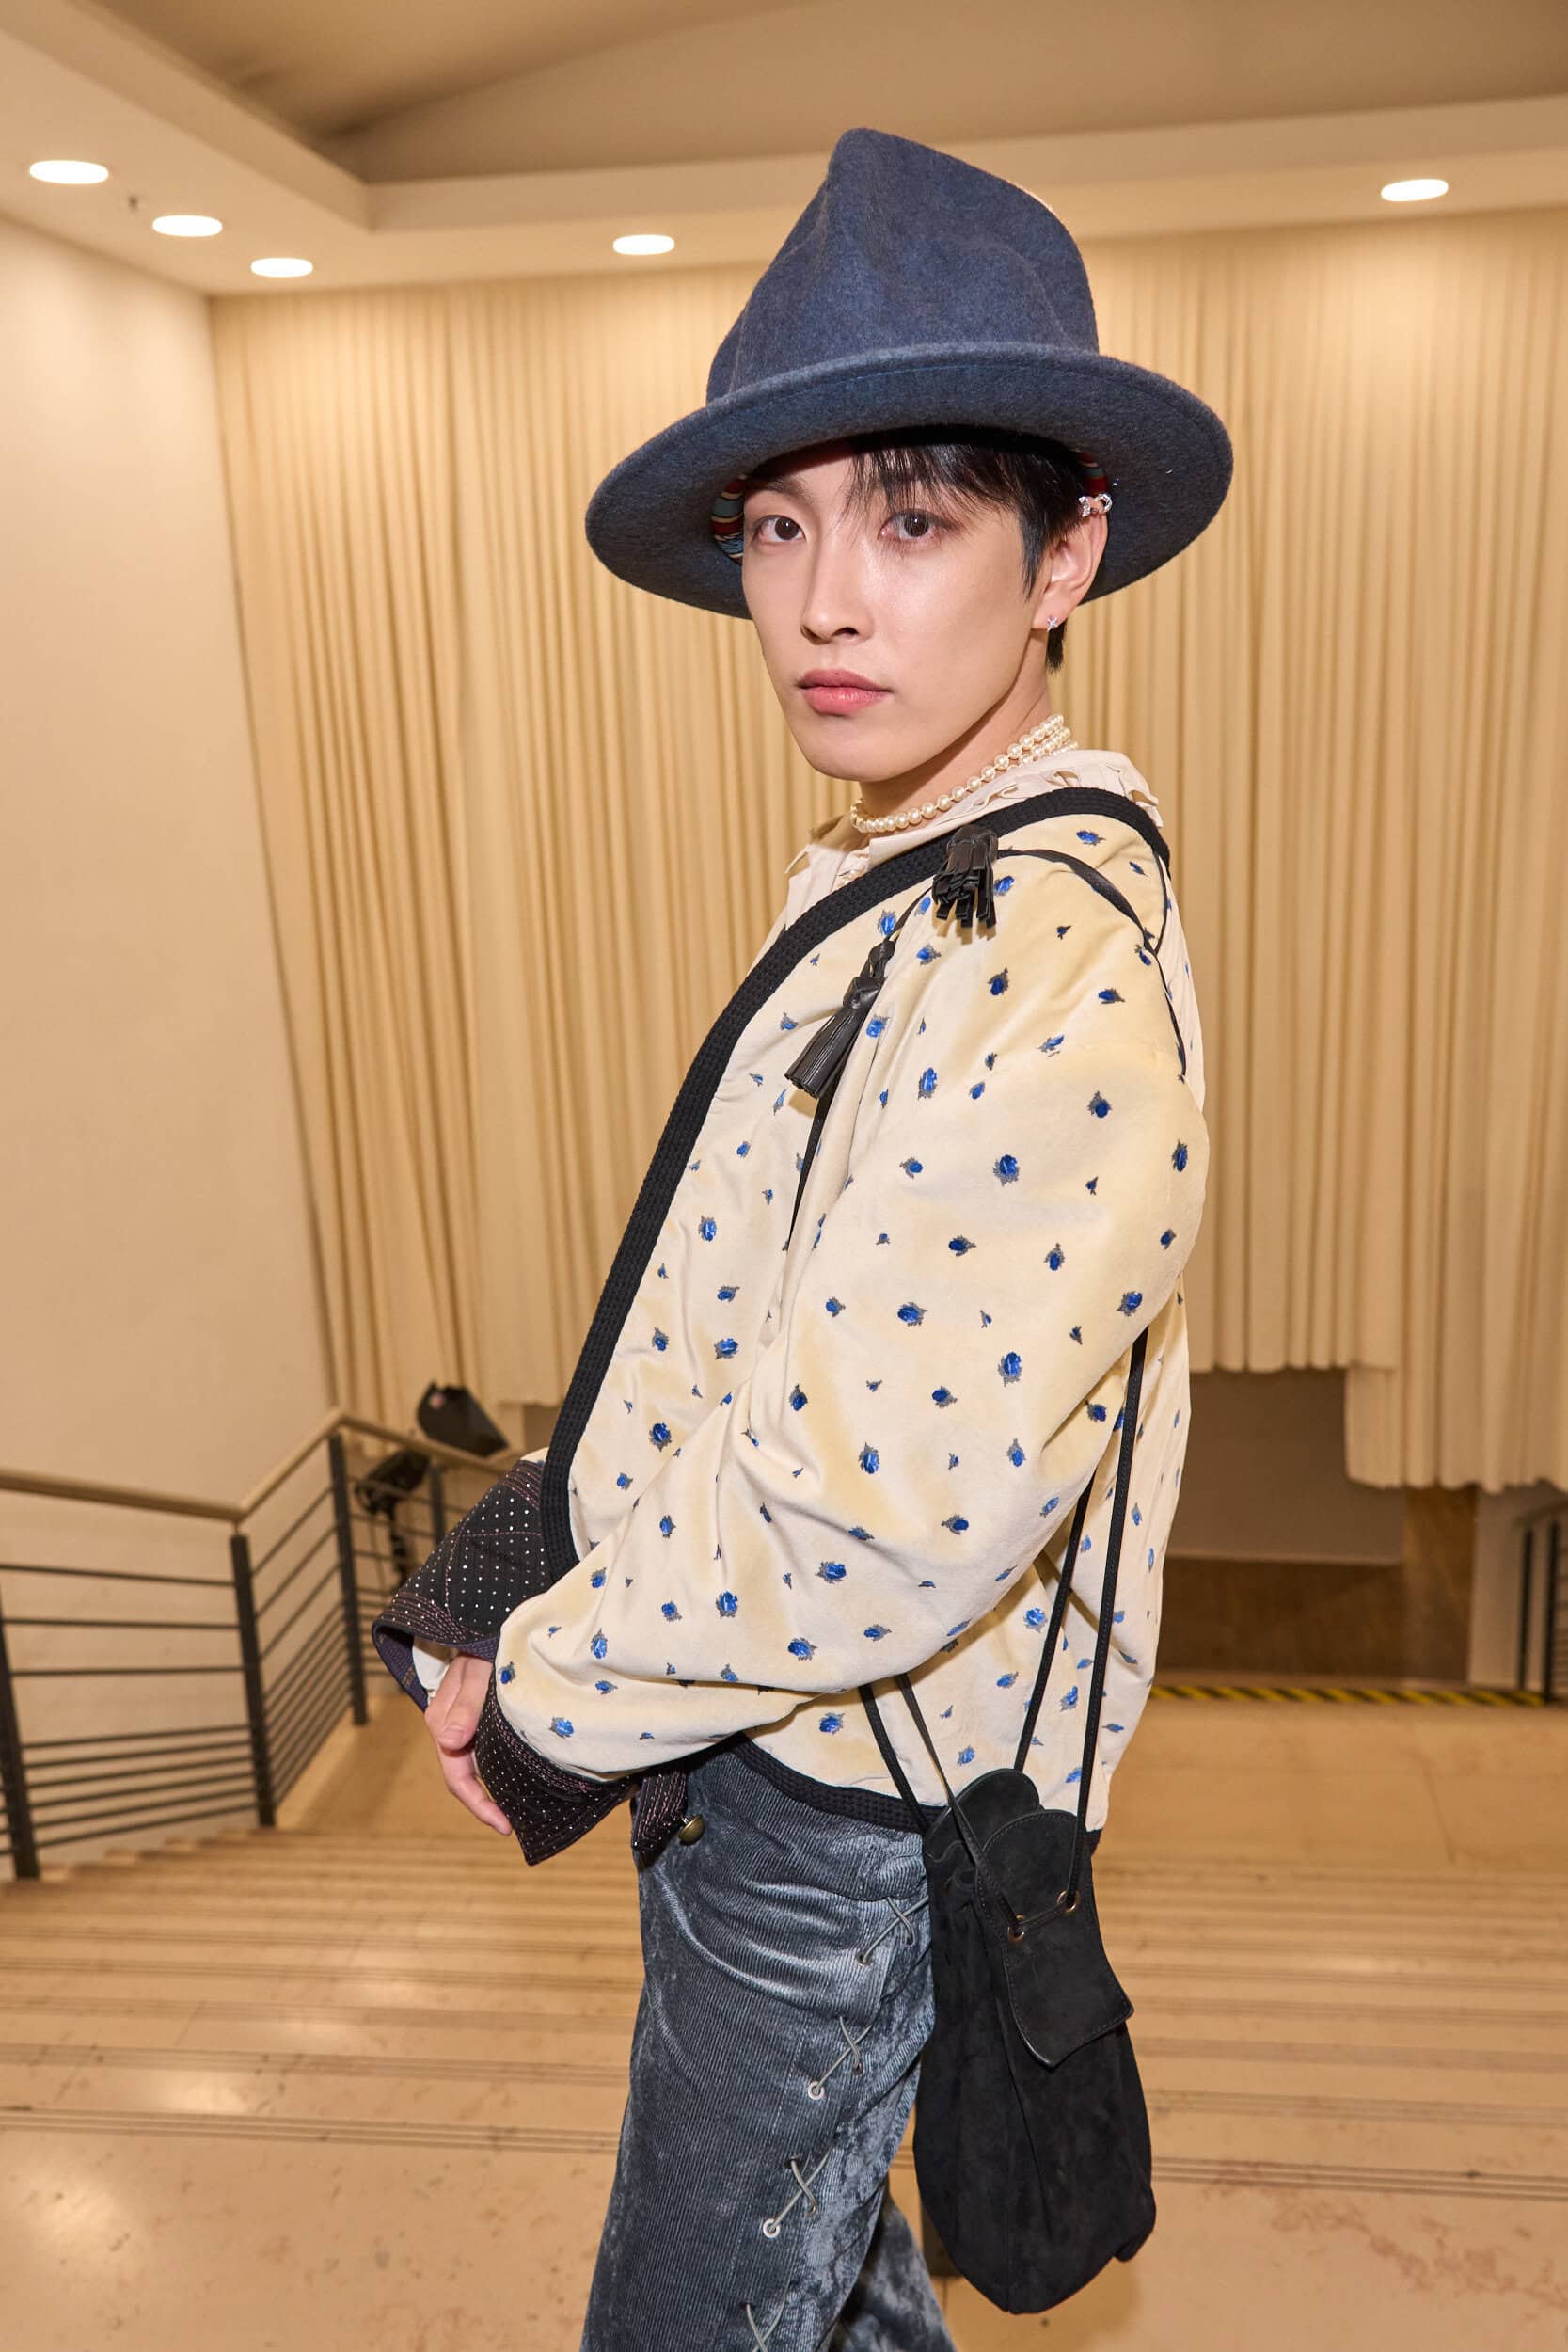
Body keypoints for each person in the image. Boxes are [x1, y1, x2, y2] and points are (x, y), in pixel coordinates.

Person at [385, 124, 1230, 2352]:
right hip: (760, 1758)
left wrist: (549, 1686)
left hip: (834, 1828)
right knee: (831, 2297)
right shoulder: (911, 865)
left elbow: (871, 1505)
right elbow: (772, 1310)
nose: (824, 601)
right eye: (780, 524)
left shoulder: (1048, 958)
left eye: (914, 521)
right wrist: (547, 1525)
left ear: (1068, 548)